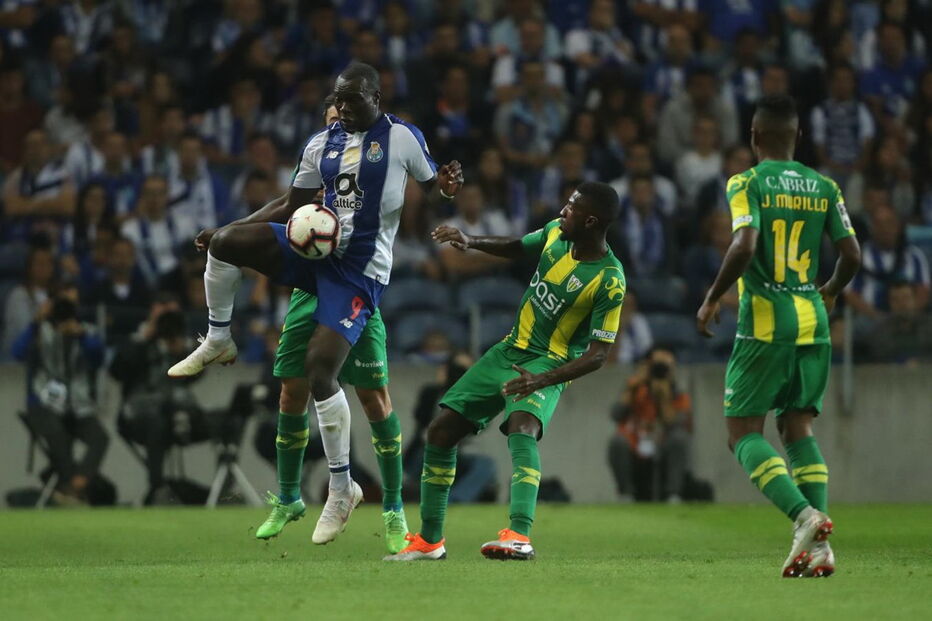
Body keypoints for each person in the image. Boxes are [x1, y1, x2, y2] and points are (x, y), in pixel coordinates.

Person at [169, 62, 462, 544]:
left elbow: (435, 190)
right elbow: (291, 202)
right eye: (336, 101)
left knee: (355, 389)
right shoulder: (318, 144)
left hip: (359, 275)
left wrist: (447, 191)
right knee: (226, 247)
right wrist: (234, 229)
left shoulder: (402, 139)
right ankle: (219, 340)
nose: (341, 109)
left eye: (350, 100)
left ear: (376, 97)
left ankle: (374, 502)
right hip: (315, 262)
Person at [385, 181, 625, 562]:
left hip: (549, 362)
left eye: (572, 207)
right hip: (509, 349)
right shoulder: (554, 234)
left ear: (592, 221)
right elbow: (517, 247)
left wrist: (542, 379)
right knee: (441, 431)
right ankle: (430, 541)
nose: (563, 210)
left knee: (522, 427)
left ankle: (519, 534)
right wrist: (471, 240)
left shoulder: (609, 279)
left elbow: (598, 355)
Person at [696, 95, 862, 578]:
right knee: (798, 428)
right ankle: (821, 550)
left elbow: (744, 243)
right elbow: (851, 254)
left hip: (765, 323)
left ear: (753, 138)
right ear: (797, 137)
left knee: (742, 433)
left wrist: (711, 298)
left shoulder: (746, 182)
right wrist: (828, 292)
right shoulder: (824, 186)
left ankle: (804, 516)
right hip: (813, 319)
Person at [13, 293, 108, 505]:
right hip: (44, 402)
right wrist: (36, 322)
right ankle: (69, 488)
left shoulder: (86, 331)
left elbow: (98, 358)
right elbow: (17, 353)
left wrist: (80, 334)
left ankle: (75, 486)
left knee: (99, 438)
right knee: (57, 434)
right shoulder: (40, 331)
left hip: (77, 405)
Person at [608, 347, 692, 502]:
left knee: (679, 439)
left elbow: (674, 423)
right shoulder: (635, 388)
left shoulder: (678, 394)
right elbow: (616, 414)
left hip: (663, 444)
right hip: (636, 444)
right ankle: (625, 494)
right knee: (617, 441)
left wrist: (663, 397)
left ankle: (673, 495)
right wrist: (633, 386)